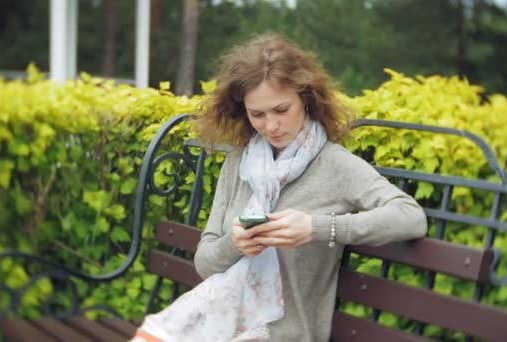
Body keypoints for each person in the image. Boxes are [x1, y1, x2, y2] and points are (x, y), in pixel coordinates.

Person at [133, 33, 427, 342]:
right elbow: (205, 264)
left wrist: (317, 228)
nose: (271, 126)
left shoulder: (335, 165)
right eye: (257, 114)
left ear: (306, 100)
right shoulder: (239, 163)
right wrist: (235, 244)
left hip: (287, 334)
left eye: (281, 110)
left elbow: (409, 216)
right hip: (219, 321)